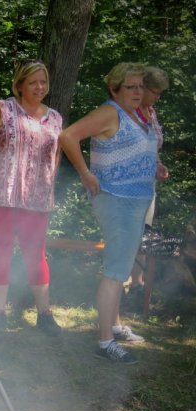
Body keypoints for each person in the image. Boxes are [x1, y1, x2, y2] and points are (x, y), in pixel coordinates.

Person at [59, 62, 157, 364]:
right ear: (114, 89)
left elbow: (132, 151)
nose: (138, 91)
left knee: (121, 268)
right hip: (116, 200)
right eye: (131, 86)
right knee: (116, 271)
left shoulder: (134, 116)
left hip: (135, 199)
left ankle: (114, 325)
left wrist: (155, 166)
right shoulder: (110, 112)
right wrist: (85, 173)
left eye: (141, 86)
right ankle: (105, 342)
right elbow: (67, 136)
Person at [0, 60, 63, 335]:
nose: (40, 87)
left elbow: (55, 156)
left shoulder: (54, 118)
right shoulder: (3, 109)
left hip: (36, 197)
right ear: (20, 85)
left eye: (43, 82)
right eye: (33, 82)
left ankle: (45, 315)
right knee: (1, 251)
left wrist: (50, 187)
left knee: (36, 253)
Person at [127, 66, 170, 297]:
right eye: (155, 91)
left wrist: (158, 165)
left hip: (147, 185)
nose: (157, 97)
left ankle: (137, 283)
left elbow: (151, 148)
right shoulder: (127, 112)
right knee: (129, 234)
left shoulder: (151, 113)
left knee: (144, 233)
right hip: (126, 186)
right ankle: (119, 283)